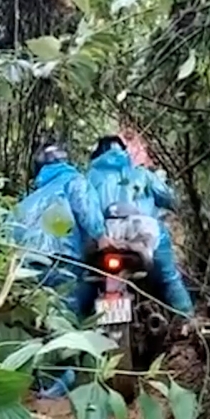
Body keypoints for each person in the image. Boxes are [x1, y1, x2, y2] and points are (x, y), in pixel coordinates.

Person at [7, 143, 107, 398]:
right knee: (66, 315)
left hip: (27, 265)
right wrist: (102, 238)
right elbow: (88, 214)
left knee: (42, 319)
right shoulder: (75, 181)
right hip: (62, 256)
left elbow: (7, 232)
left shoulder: (27, 200)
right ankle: (65, 377)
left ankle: (42, 378)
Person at [86, 135, 195, 317]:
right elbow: (170, 199)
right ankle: (187, 319)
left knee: (83, 281)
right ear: (124, 152)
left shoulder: (88, 178)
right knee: (169, 277)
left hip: (104, 238)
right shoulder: (142, 174)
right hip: (141, 235)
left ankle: (75, 326)